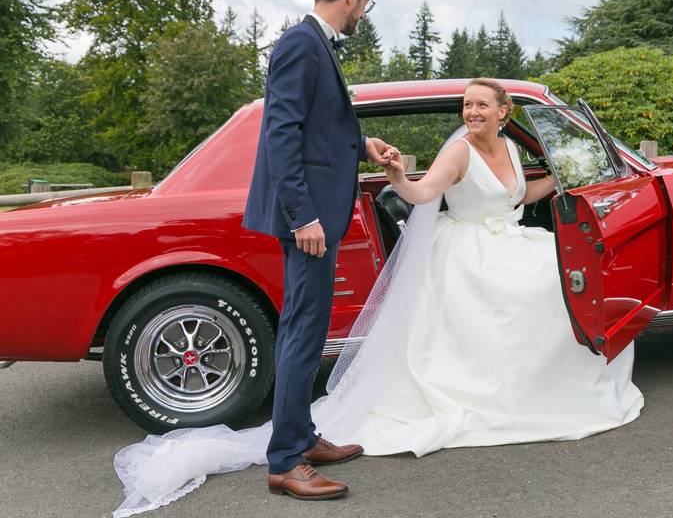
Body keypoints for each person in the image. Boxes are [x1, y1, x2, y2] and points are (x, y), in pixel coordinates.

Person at [110, 79, 641, 516]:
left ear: (504, 114)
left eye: (481, 105)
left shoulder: (507, 149)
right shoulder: (457, 151)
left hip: (505, 241)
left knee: (553, 281)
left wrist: (567, 177)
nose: (471, 111)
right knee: (544, 287)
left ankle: (534, 383)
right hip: (469, 252)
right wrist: (394, 175)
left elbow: (522, 193)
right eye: (467, 105)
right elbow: (423, 193)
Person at [241, 0, 395, 500]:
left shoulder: (313, 45)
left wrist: (363, 144)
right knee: (304, 330)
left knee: (305, 326)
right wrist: (302, 215)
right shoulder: (300, 43)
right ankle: (285, 461)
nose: (364, 13)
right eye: (365, 2)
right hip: (308, 219)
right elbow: (280, 134)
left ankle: (302, 437)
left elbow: (316, 132)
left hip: (316, 214)